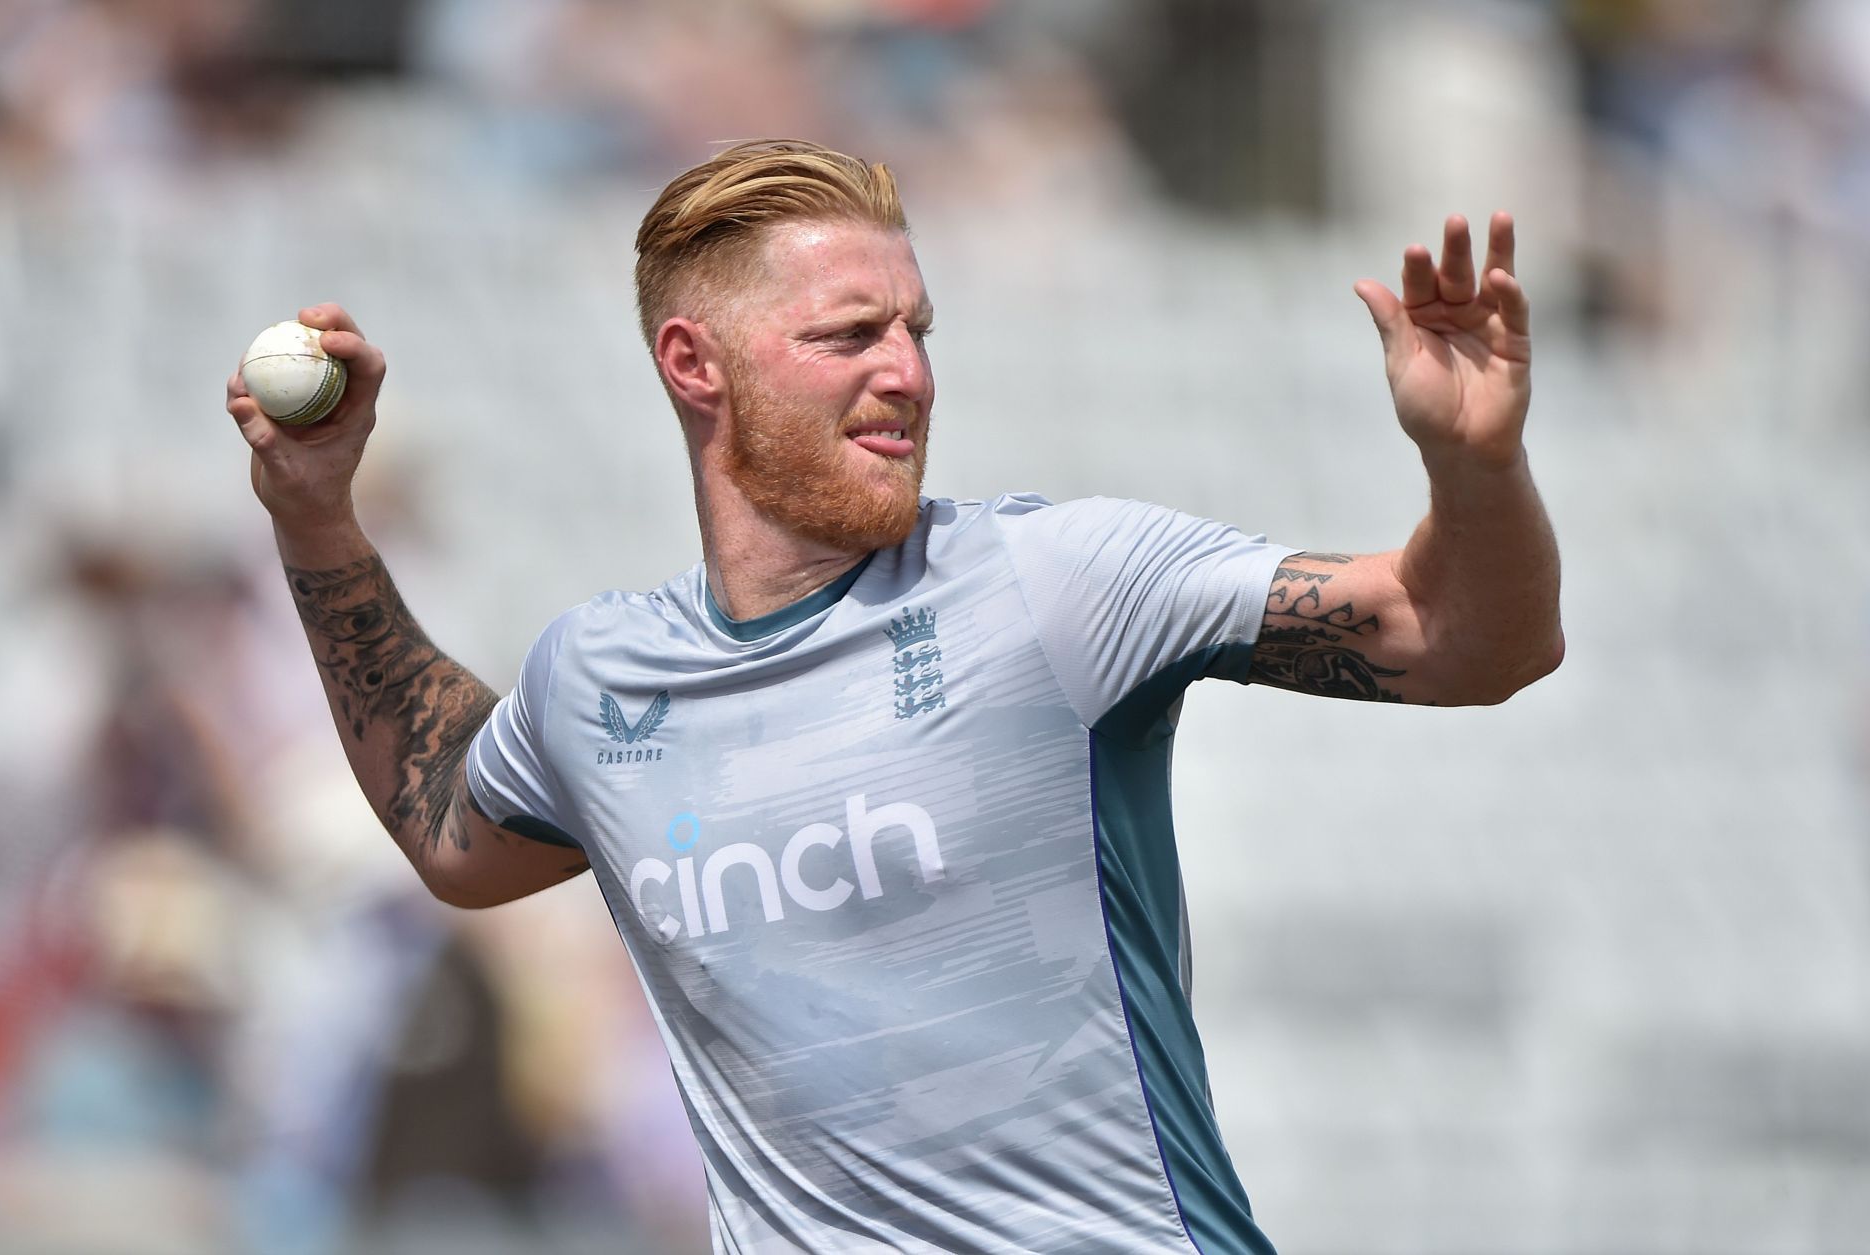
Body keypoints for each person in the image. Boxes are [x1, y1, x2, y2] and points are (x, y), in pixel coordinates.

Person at [225, 139, 1562, 1254]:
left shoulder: (1056, 583)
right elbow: (448, 824)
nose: (908, 372)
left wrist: (1476, 472)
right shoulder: (602, 682)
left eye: (917, 330)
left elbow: (1462, 641)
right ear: (697, 364)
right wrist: (315, 517)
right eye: (850, 334)